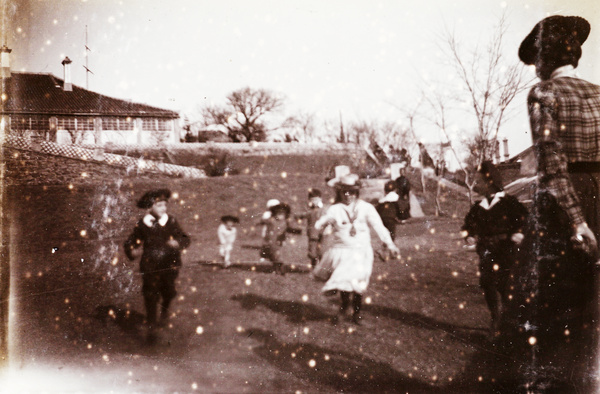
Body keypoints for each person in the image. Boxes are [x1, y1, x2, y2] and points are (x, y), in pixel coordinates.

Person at [514, 15, 600, 391]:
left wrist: (576, 220)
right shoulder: (599, 93)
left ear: (545, 59)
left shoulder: (544, 93)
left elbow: (550, 162)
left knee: (556, 307)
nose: (535, 68)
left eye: (536, 59)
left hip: (568, 201)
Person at [314, 172, 400, 325]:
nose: (348, 195)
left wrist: (390, 244)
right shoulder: (335, 209)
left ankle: (357, 313)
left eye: (352, 192)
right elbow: (319, 225)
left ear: (357, 192)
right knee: (345, 283)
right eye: (345, 191)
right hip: (342, 250)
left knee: (359, 283)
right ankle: (345, 307)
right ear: (340, 192)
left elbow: (379, 227)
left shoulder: (366, 208)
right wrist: (326, 222)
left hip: (361, 251)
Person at [460, 161, 528, 337]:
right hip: (486, 250)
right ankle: (496, 317)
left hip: (506, 249)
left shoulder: (510, 203)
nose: (477, 185)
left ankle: (510, 319)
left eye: (480, 181)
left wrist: (519, 233)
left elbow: (523, 221)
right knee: (488, 283)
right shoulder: (478, 207)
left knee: (506, 284)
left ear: (490, 182)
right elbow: (468, 224)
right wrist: (468, 234)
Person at [123, 189, 190, 344]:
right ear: (149, 207)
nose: (163, 208)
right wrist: (131, 250)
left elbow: (185, 238)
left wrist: (178, 243)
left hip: (170, 264)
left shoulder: (171, 221)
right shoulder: (142, 224)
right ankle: (152, 327)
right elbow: (131, 241)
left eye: (165, 205)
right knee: (151, 295)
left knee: (168, 291)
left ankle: (164, 312)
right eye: (159, 205)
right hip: (150, 265)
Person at [260, 202, 301, 275]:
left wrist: (297, 231)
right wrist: (260, 221)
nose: (280, 216)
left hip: (279, 241)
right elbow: (263, 221)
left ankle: (281, 270)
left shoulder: (285, 222)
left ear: (285, 215)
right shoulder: (271, 220)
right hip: (270, 241)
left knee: (277, 256)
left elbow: (290, 228)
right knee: (271, 255)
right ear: (275, 214)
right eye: (278, 214)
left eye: (282, 214)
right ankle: (276, 268)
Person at [294, 189, 325, 268]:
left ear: (320, 199)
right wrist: (297, 216)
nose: (314, 201)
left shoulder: (324, 209)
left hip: (323, 234)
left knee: (322, 251)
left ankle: (321, 268)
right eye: (312, 200)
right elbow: (303, 215)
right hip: (313, 234)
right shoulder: (310, 211)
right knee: (312, 252)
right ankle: (313, 266)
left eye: (316, 199)